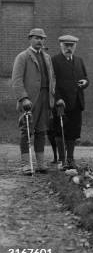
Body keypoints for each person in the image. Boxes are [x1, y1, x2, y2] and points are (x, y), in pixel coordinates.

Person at [11, 28, 56, 174]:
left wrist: (52, 96)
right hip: (30, 100)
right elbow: (16, 80)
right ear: (30, 38)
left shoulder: (47, 57)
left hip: (45, 98)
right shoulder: (22, 57)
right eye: (36, 38)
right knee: (27, 130)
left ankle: (41, 163)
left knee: (42, 131)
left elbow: (52, 78)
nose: (39, 41)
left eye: (42, 38)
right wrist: (23, 98)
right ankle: (26, 164)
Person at [51, 35, 89, 170]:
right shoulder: (54, 61)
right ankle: (62, 160)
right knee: (60, 130)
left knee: (73, 131)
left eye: (71, 45)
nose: (68, 48)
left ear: (75, 46)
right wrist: (57, 98)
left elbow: (85, 78)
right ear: (61, 45)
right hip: (61, 103)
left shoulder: (79, 60)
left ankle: (71, 159)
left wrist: (85, 82)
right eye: (66, 45)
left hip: (76, 102)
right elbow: (52, 82)